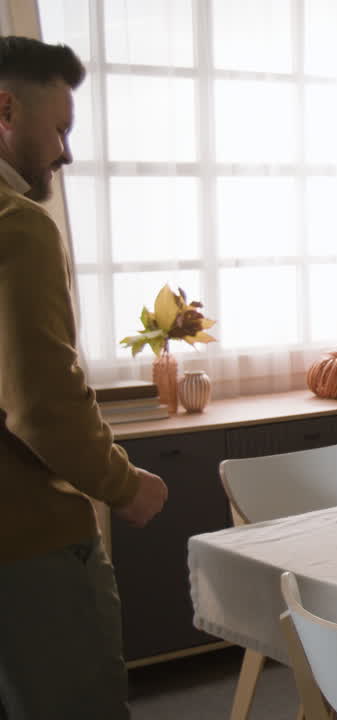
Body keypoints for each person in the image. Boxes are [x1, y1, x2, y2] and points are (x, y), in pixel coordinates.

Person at [0, 37, 168, 719]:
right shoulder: (18, 226)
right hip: (27, 538)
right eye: (61, 128)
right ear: (5, 108)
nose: (66, 152)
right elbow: (41, 404)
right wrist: (124, 485)